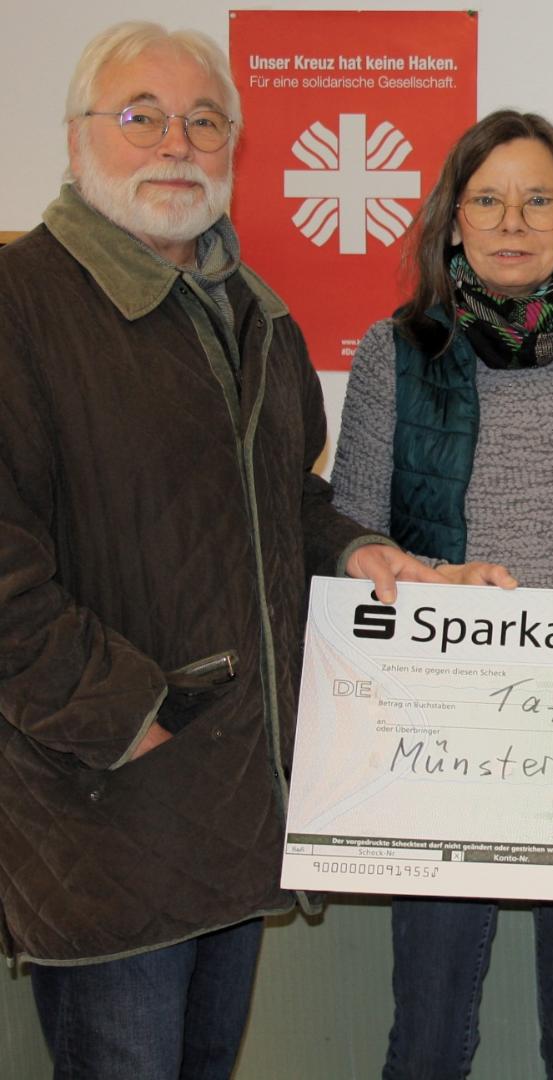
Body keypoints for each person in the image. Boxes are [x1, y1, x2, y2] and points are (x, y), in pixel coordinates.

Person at [0, 21, 445, 1080]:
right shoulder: (20, 303)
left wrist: (359, 551)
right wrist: (130, 715)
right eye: (141, 115)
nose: (178, 142)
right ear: (76, 141)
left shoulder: (256, 316)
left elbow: (281, 500)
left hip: (234, 807)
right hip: (104, 808)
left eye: (205, 120)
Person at [330, 109, 553, 1080]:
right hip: (440, 728)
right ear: (453, 221)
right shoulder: (395, 350)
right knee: (431, 1034)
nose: (512, 221)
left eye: (537, 200)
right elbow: (354, 532)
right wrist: (431, 580)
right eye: (488, 199)